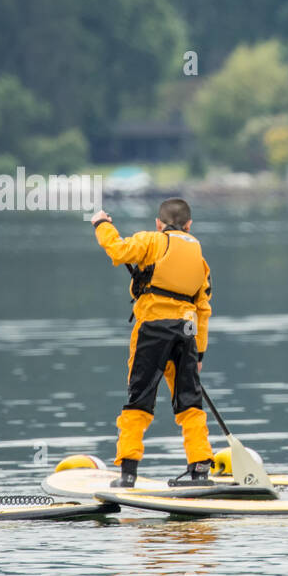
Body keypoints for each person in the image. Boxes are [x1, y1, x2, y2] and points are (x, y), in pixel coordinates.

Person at [91, 199, 214, 487]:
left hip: (153, 330)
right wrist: (201, 351)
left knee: (140, 398)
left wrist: (102, 224)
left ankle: (128, 472)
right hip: (187, 333)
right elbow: (203, 307)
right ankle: (199, 470)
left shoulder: (151, 240)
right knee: (189, 402)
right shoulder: (199, 255)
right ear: (189, 225)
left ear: (159, 224)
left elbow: (118, 251)